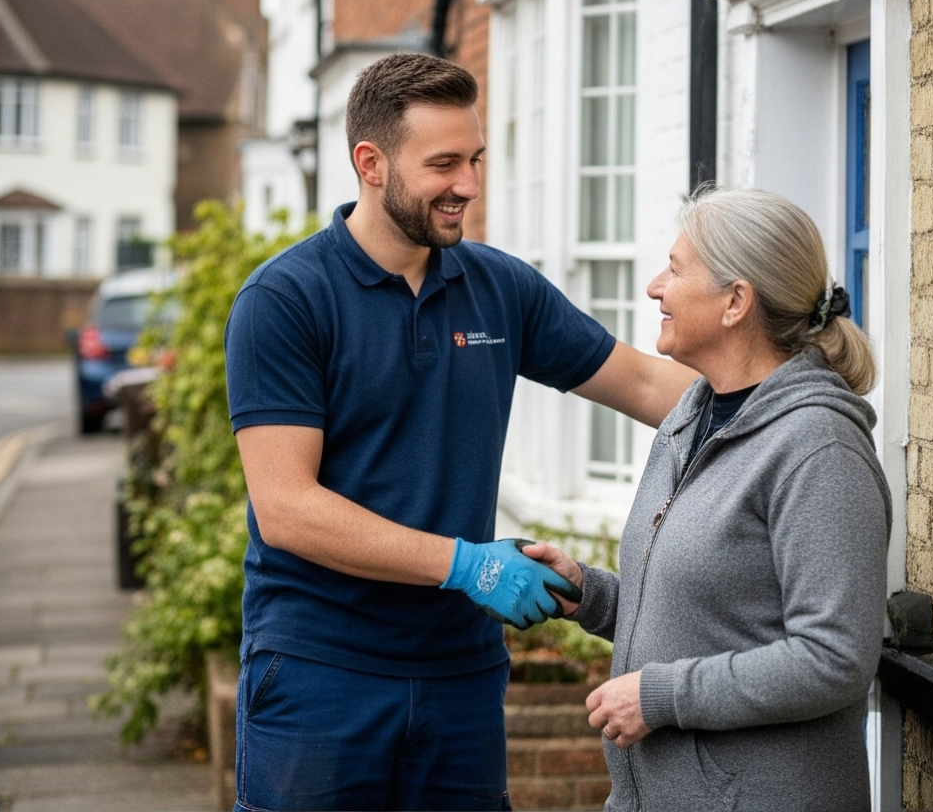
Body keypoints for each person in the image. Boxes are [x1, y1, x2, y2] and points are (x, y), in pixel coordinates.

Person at [223, 53, 696, 811]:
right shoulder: (286, 300)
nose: (468, 185)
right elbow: (286, 509)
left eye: (474, 159)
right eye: (443, 163)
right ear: (370, 164)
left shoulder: (497, 286)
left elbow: (644, 383)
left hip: (460, 678)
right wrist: (466, 566)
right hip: (319, 673)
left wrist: (787, 397)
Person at [527, 187, 892, 812]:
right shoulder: (689, 419)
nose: (654, 286)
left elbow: (835, 657)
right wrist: (590, 595)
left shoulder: (818, 448)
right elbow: (716, 613)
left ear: (735, 302)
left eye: (676, 268)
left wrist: (661, 696)